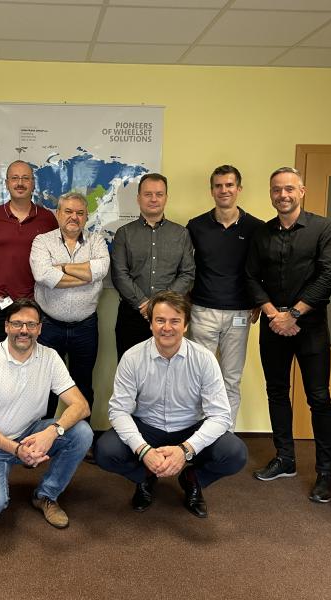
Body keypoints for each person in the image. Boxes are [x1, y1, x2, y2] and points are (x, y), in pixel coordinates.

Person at [95, 291, 246, 517]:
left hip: (189, 429)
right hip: (147, 428)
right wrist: (144, 450)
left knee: (235, 453)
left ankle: (192, 479)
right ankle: (146, 476)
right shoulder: (132, 358)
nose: (167, 327)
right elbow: (118, 410)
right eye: (160, 320)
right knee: (105, 451)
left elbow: (221, 415)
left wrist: (185, 450)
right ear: (151, 324)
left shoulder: (204, 359)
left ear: (185, 326)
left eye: (175, 321)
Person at [245, 166, 331, 503]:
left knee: (319, 397)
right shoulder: (262, 233)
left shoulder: (323, 228)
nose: (282, 195)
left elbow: (329, 276)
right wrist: (274, 314)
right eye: (276, 190)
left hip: (310, 326)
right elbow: (251, 276)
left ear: (302, 191)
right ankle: (285, 458)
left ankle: (325, 473)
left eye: (289, 189)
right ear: (271, 194)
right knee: (276, 392)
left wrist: (294, 314)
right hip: (273, 325)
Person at [0, 299, 93, 528]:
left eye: (31, 324)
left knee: (82, 432)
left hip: (30, 435)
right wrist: (16, 450)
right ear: (6, 326)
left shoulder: (50, 357)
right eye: (17, 324)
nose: (24, 330)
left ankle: (46, 495)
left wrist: (52, 432)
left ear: (39, 329)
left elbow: (82, 406)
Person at [186, 165, 264, 430]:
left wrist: (259, 301)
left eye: (229, 185)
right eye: (218, 186)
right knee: (198, 378)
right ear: (212, 190)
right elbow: (186, 267)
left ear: (238, 189)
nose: (224, 190)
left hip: (239, 313)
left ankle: (224, 436)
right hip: (203, 311)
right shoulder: (196, 226)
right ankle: (197, 438)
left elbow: (262, 268)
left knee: (231, 379)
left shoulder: (256, 227)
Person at [29, 191, 109, 419]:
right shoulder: (42, 241)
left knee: (83, 385)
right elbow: (43, 275)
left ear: (86, 217)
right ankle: (42, 435)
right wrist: (86, 275)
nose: (74, 217)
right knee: (45, 386)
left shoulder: (97, 241)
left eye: (80, 213)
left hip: (85, 327)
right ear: (58, 214)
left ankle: (82, 436)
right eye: (69, 211)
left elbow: (101, 270)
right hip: (49, 325)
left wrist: (62, 268)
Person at [0, 161, 57, 348]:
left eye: (25, 178)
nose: (20, 183)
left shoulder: (48, 219)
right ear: (7, 183)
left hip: (35, 303)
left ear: (33, 183)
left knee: (33, 358)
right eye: (15, 178)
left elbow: (57, 258)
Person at [111, 173, 195, 359]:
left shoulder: (181, 234)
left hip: (170, 317)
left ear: (166, 198)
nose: (154, 199)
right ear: (138, 198)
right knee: (129, 369)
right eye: (148, 194)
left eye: (159, 194)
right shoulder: (123, 233)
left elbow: (187, 274)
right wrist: (144, 303)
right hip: (132, 315)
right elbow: (119, 274)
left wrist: (160, 304)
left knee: (169, 369)